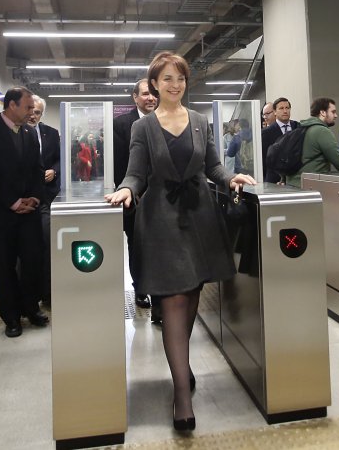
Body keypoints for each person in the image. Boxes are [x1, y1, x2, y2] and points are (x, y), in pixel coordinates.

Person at [105, 52, 255, 432]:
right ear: (153, 84)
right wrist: (125, 191)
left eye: (181, 79)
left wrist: (231, 179)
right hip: (160, 221)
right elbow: (135, 173)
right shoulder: (144, 128)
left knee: (190, 297)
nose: (174, 85)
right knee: (172, 298)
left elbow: (213, 167)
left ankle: (182, 366)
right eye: (167, 79)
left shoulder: (201, 122)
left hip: (199, 217)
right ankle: (182, 398)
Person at [0, 87, 48, 338]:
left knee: (32, 263)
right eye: (27, 107)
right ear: (11, 105)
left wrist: (35, 198)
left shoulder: (29, 133)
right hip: (0, 215)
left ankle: (30, 308)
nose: (31, 113)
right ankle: (11, 317)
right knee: (3, 267)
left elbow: (38, 170)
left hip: (30, 213)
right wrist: (14, 202)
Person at [113, 78, 158, 312]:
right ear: (135, 97)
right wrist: (132, 189)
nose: (150, 98)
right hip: (135, 198)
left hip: (162, 198)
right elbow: (120, 163)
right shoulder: (121, 124)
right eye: (145, 94)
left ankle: (161, 291)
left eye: (153, 93)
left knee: (161, 245)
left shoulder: (165, 120)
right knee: (137, 245)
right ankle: (140, 289)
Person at [29, 96, 60, 307]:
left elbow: (60, 158)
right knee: (28, 251)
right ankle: (30, 296)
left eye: (37, 112)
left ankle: (48, 293)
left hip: (47, 198)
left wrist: (54, 171)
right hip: (24, 199)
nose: (33, 115)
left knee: (48, 246)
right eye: (30, 110)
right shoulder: (17, 132)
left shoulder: (51, 133)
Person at [284, 98, 339, 187]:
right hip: (309, 186)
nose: (336, 115)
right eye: (333, 112)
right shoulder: (322, 131)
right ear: (323, 112)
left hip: (293, 183)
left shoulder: (301, 128)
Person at [260, 97, 293, 182]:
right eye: (281, 108)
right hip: (274, 179)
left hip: (294, 178)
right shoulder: (266, 133)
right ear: (275, 112)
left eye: (287, 108)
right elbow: (264, 159)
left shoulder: (298, 127)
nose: (285, 111)